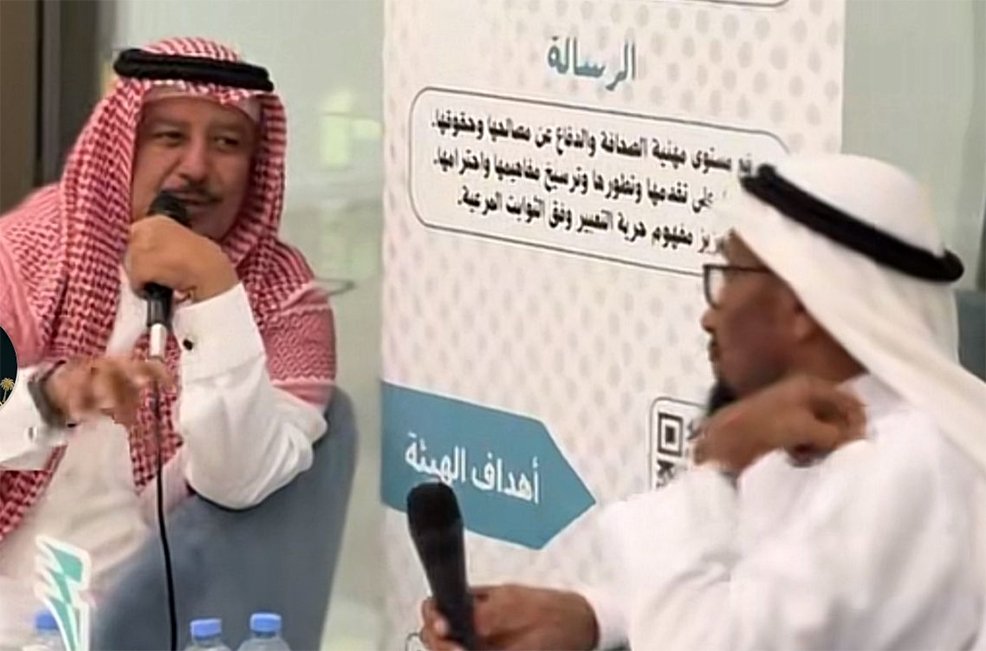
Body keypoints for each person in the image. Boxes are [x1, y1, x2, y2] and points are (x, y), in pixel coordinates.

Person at [420, 154, 986, 650]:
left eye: (728, 277)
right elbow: (753, 602)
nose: (709, 315)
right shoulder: (818, 434)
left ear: (801, 305)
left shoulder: (902, 466)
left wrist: (717, 460)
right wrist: (593, 618)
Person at [0, 37, 336, 645]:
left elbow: (239, 481)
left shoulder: (287, 299)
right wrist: (52, 396)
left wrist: (215, 295)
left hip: (153, 628)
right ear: (123, 144)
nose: (196, 168)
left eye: (227, 143)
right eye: (169, 137)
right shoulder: (26, 253)